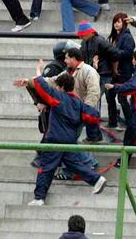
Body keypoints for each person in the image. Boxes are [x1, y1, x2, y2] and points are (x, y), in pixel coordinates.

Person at [13, 74, 107, 206]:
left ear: (61, 87)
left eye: (57, 86)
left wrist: (33, 78)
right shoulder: (78, 102)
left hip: (55, 140)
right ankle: (97, 179)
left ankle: (39, 198)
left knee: (45, 167)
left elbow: (41, 85)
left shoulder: (58, 97)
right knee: (76, 165)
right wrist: (92, 134)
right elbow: (93, 116)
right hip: (70, 140)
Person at [52, 48, 102, 143]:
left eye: (67, 58)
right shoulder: (69, 72)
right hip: (76, 109)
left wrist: (85, 109)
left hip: (80, 109)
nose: (65, 61)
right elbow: (54, 80)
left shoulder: (89, 71)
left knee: (70, 137)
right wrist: (33, 82)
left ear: (74, 58)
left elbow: (94, 92)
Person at [78, 21, 120, 131]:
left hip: (103, 74)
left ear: (89, 33)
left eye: (82, 35)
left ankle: (103, 124)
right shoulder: (85, 42)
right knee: (105, 99)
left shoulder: (100, 41)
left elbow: (115, 54)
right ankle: (110, 122)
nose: (80, 37)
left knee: (98, 99)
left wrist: (114, 69)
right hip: (94, 74)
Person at [107, 13, 135, 129]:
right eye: (115, 22)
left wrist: (114, 53)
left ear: (124, 23)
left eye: (119, 22)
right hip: (114, 71)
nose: (116, 24)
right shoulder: (115, 37)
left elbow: (128, 52)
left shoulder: (127, 37)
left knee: (122, 97)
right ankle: (112, 121)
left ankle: (130, 123)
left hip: (124, 71)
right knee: (110, 95)